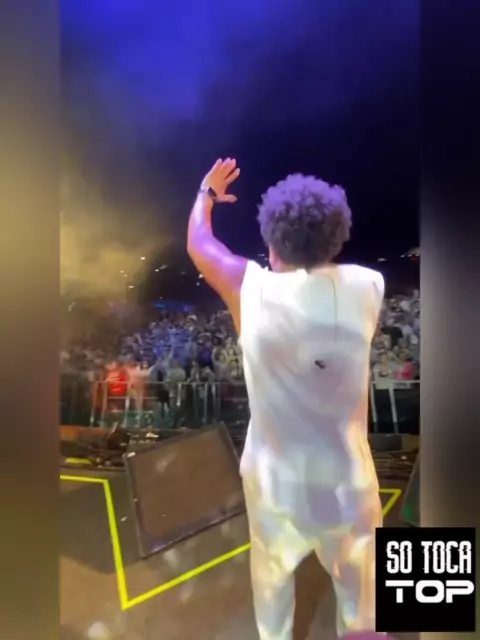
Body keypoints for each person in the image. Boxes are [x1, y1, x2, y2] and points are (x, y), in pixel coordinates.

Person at [187, 158, 384, 639]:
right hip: (347, 485)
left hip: (274, 486)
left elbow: (199, 244)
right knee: (362, 601)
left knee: (272, 590)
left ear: (272, 243)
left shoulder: (249, 290)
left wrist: (206, 195)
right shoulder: (368, 286)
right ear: (335, 238)